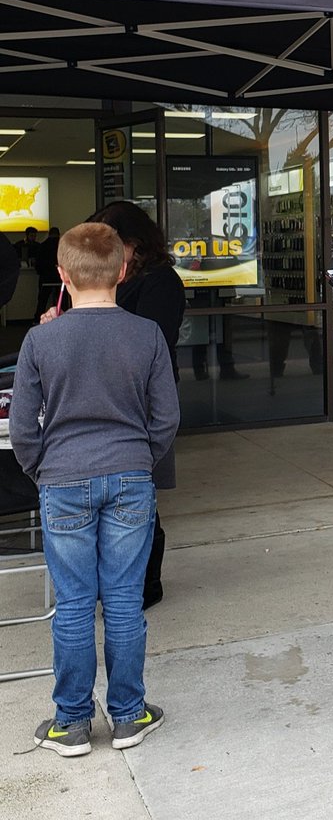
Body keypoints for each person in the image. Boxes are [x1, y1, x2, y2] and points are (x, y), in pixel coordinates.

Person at [9, 222, 178, 757]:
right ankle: (129, 715)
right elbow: (166, 418)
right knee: (125, 600)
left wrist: (42, 469)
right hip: (130, 475)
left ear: (61, 275)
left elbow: (20, 427)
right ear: (122, 270)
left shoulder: (41, 339)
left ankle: (72, 723)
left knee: (76, 603)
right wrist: (140, 459)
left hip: (62, 478)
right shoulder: (146, 334)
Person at [43, 203, 186, 606]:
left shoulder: (161, 282)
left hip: (139, 401)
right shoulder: (107, 281)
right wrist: (59, 327)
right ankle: (116, 586)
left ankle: (145, 584)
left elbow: (149, 343)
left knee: (143, 501)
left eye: (109, 242)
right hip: (101, 395)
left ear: (133, 246)